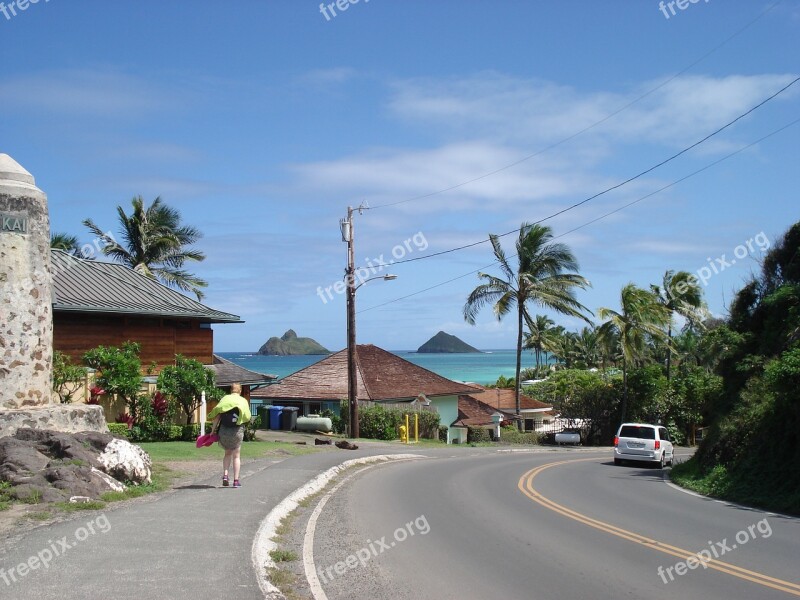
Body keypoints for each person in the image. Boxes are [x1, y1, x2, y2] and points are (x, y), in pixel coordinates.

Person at [207, 383, 251, 488]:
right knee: (236, 456)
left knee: (227, 454)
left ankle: (225, 475)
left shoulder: (225, 399)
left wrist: (212, 431)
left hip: (224, 431)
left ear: (231, 390)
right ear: (240, 391)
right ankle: (236, 481)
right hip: (237, 431)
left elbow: (217, 417)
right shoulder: (243, 401)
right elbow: (247, 417)